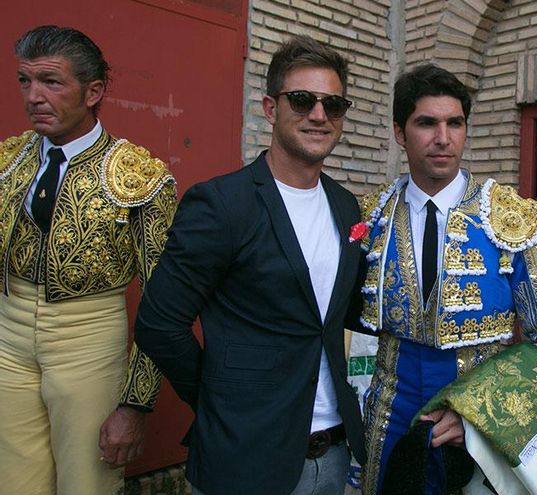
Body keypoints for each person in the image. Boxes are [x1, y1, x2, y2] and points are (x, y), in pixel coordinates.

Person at [134, 35, 366, 494]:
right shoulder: (222, 203)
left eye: (334, 105)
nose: (319, 115)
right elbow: (158, 325)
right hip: (243, 457)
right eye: (302, 100)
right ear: (270, 108)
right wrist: (218, 399)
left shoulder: (346, 207)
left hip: (333, 456)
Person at [356, 63, 537, 494]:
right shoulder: (373, 216)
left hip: (478, 423)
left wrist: (480, 415)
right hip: (388, 417)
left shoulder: (511, 217)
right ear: (400, 132)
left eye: (455, 123)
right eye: (427, 123)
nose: (443, 138)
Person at [0, 25, 177, 494]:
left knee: (86, 484)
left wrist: (135, 404)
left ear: (93, 91)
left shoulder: (141, 176)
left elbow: (162, 301)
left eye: (51, 82)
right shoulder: (7, 161)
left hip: (89, 341)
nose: (34, 96)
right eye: (25, 81)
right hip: (7, 338)